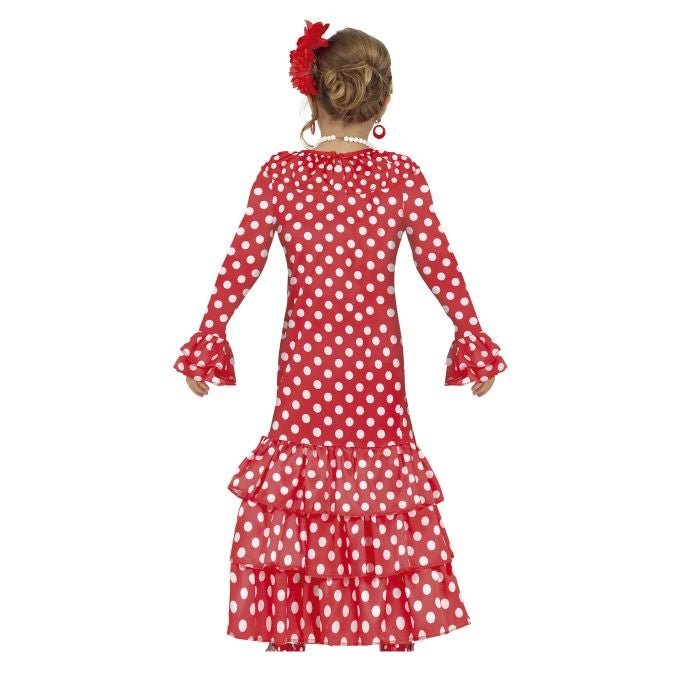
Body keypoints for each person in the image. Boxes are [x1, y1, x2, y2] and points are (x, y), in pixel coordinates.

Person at [173, 20, 508, 652]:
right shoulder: (400, 176)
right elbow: (439, 263)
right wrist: (471, 336)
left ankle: (290, 625)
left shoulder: (282, 175)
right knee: (380, 472)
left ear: (312, 92)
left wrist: (210, 335)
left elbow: (241, 262)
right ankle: (393, 623)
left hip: (307, 364)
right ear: (385, 100)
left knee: (300, 472)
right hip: (375, 366)